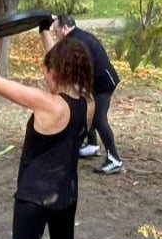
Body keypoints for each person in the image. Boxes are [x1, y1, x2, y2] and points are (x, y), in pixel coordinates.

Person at [0, 21, 95, 239]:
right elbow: (63, 62)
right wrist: (45, 31)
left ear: (55, 71)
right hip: (65, 196)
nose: (44, 76)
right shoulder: (88, 102)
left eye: (46, 70)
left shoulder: (47, 103)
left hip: (33, 199)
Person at [40, 14, 123, 174]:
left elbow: (77, 65)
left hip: (104, 83)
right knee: (87, 111)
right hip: (96, 81)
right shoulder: (76, 36)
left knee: (98, 119)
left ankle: (114, 159)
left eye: (56, 30)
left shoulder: (75, 41)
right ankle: (92, 146)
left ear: (64, 28)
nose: (56, 34)